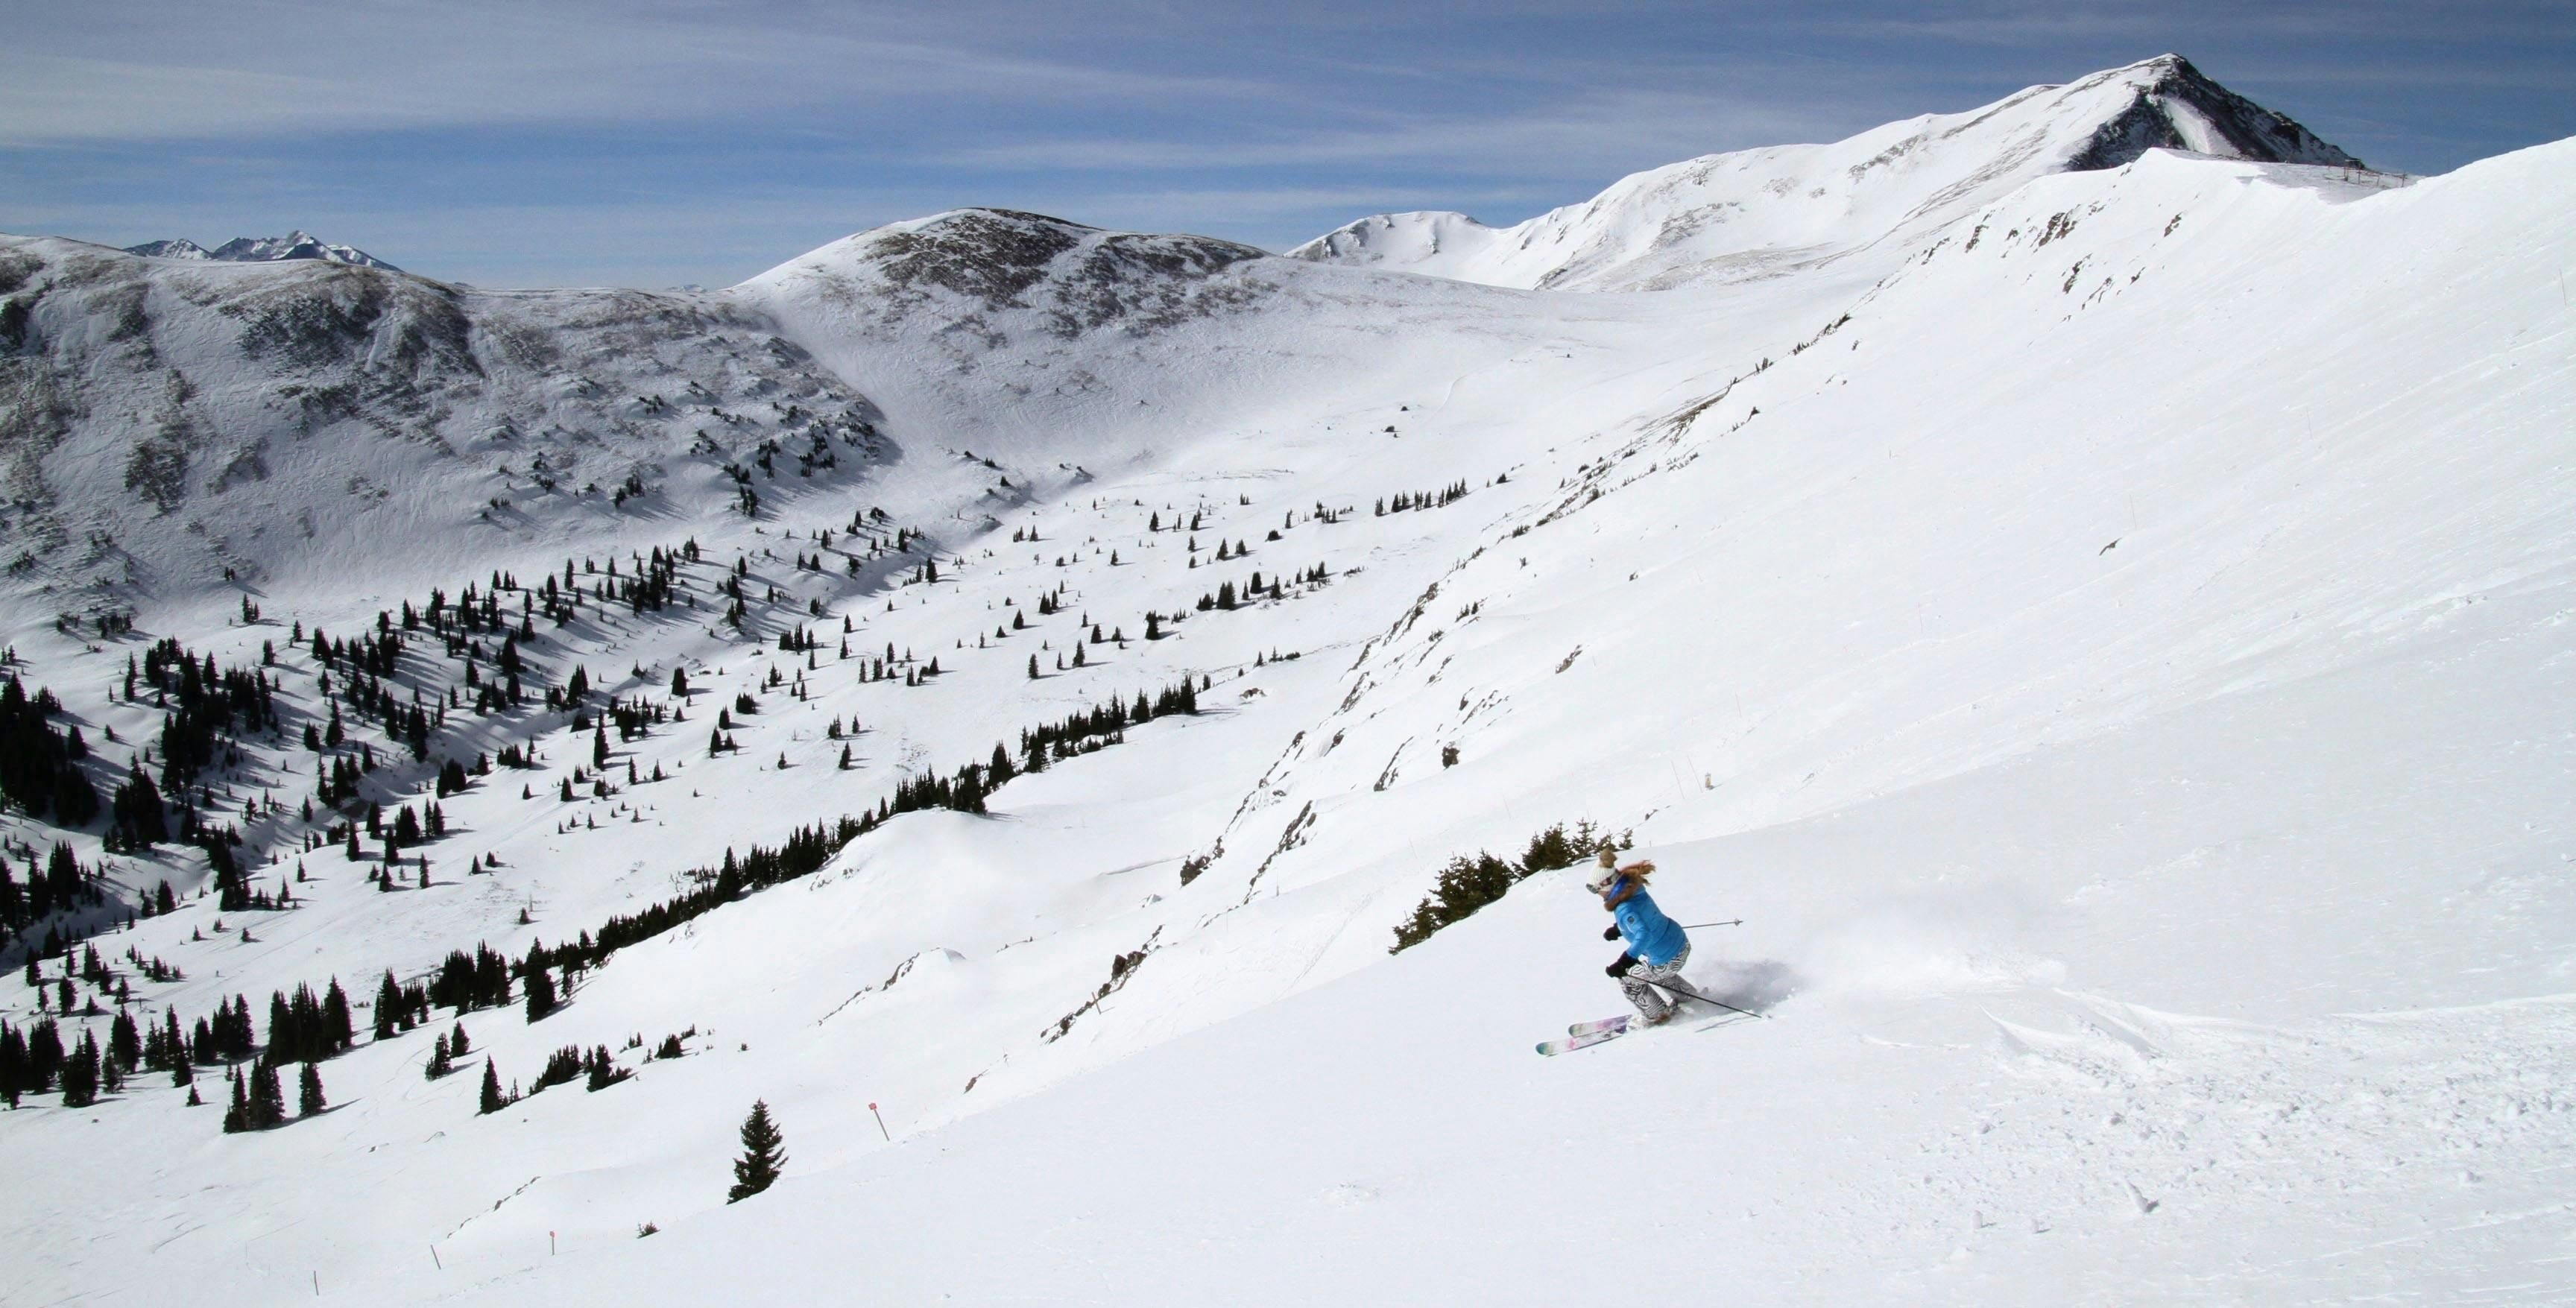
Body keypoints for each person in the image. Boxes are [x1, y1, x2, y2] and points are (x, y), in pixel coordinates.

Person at [1589, 847, 1693, 1026]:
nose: (1597, 894)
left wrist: (1625, 962)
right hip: (1680, 944)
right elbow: (1644, 917)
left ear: (1607, 886)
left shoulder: (1624, 908)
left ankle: (1659, 1016)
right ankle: (1689, 998)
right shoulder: (1635, 891)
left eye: (1595, 890)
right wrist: (1620, 928)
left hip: (1666, 958)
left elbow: (1644, 934)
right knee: (1657, 972)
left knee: (1629, 979)